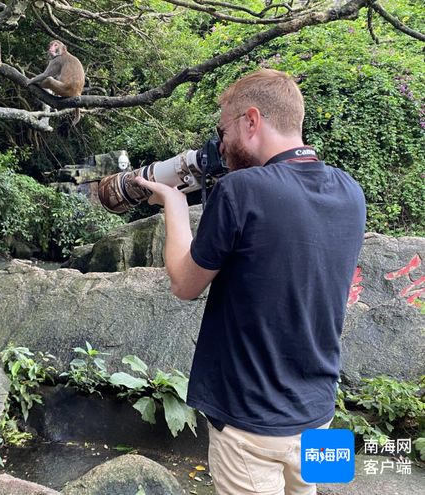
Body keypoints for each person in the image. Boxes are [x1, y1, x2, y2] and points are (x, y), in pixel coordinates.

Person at [135, 69, 366, 495]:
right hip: (320, 414)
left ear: (251, 120)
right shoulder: (350, 191)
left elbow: (185, 284)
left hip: (250, 424)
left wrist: (172, 202)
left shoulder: (242, 190)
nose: (220, 144)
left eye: (223, 130)